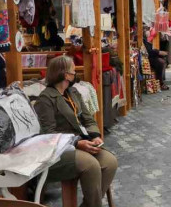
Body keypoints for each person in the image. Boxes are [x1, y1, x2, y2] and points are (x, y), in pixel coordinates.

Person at [36, 56, 118, 207]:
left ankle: (88, 205)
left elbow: (88, 119)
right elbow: (48, 134)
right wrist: (76, 142)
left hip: (83, 141)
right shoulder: (46, 99)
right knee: (91, 165)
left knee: (110, 162)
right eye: (73, 70)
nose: (75, 73)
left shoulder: (73, 92)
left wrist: (95, 136)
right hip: (60, 149)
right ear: (65, 74)